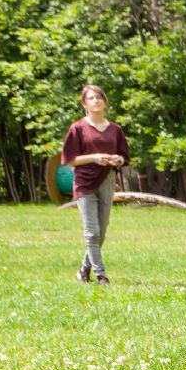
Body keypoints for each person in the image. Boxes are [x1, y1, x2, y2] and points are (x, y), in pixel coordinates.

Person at [60, 84, 129, 285]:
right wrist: (93, 157)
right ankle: (101, 275)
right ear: (84, 104)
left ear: (105, 102)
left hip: (107, 180)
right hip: (84, 183)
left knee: (102, 231)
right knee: (91, 231)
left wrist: (118, 160)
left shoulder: (115, 130)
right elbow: (70, 159)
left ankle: (84, 269)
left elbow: (125, 157)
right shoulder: (77, 128)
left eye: (99, 98)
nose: (96, 101)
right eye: (91, 98)